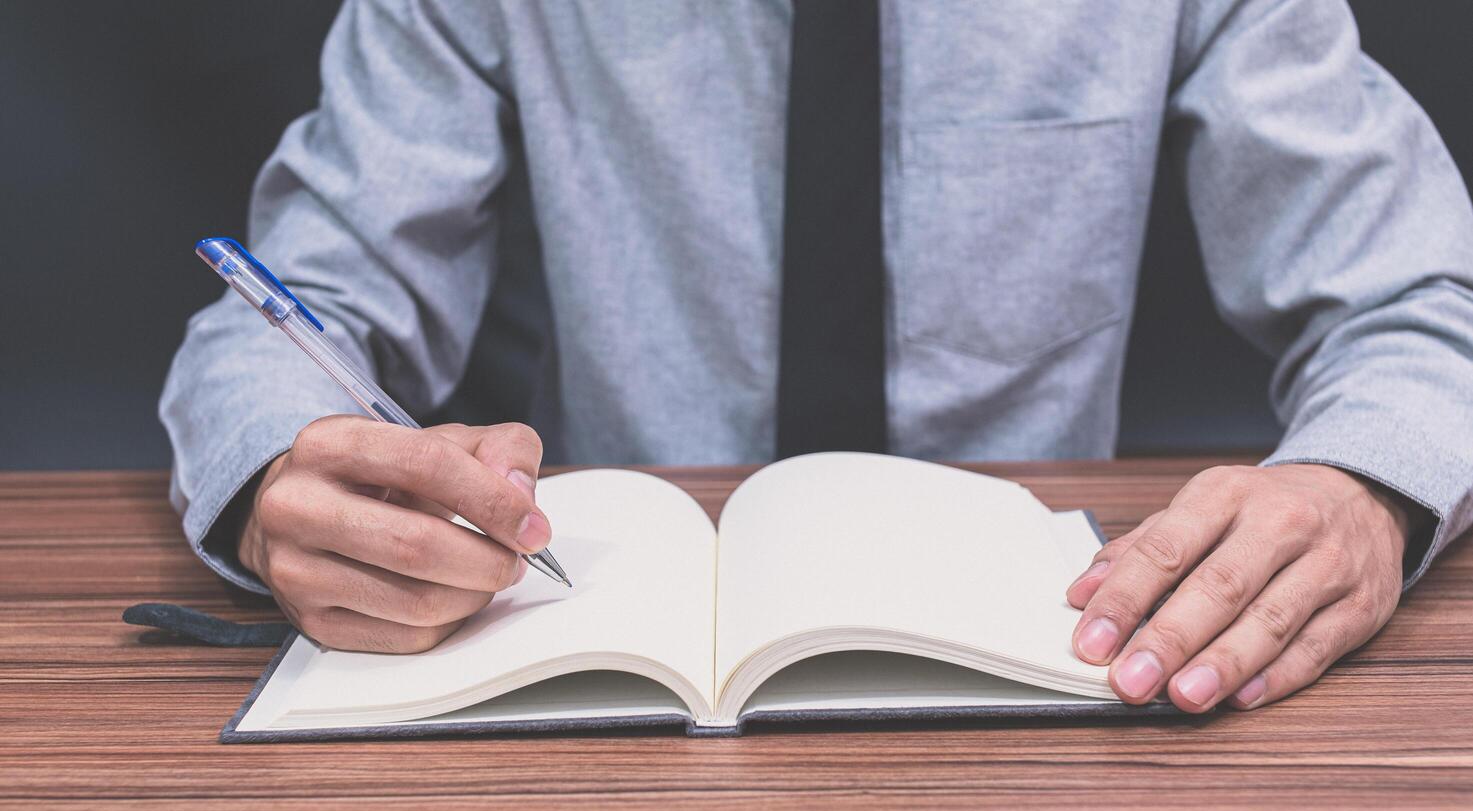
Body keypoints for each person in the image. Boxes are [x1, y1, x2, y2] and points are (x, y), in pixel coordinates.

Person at [162, 1, 1473, 715]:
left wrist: (1363, 486)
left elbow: (1424, 288)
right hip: (608, 661)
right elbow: (298, 303)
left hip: (1044, 677)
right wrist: (281, 474)